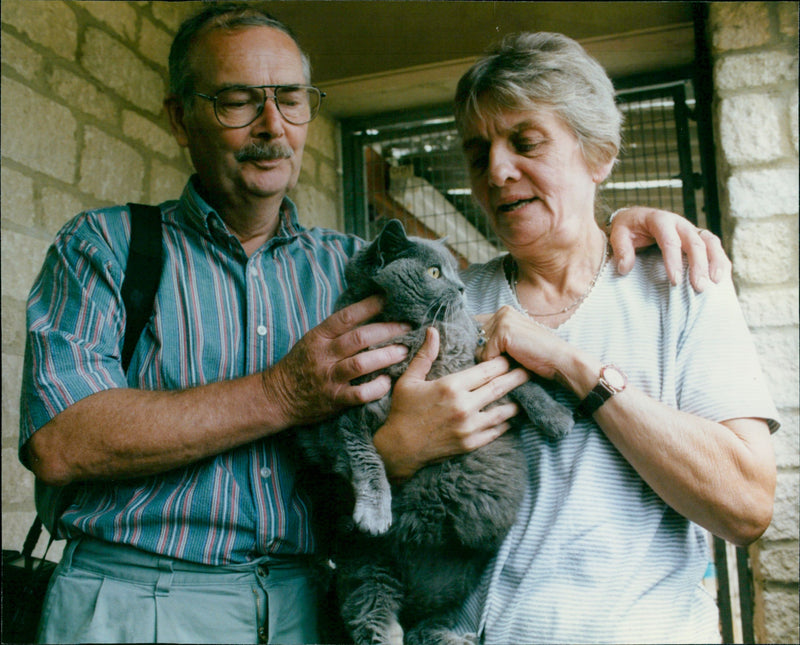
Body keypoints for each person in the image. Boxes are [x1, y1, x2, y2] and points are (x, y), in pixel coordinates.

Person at [18, 4, 732, 644]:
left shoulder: (353, 268)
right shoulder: (110, 247)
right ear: (179, 119)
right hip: (139, 598)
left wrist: (622, 220)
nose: (272, 125)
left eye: (291, 100)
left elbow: (492, 270)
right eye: (237, 101)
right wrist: (284, 393)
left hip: (308, 607)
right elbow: (59, 443)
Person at [377, 32, 779, 644]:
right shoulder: (448, 304)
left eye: (526, 142)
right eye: (478, 152)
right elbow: (364, 496)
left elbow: (746, 506)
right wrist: (394, 454)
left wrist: (572, 365)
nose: (497, 171)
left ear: (599, 155)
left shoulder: (680, 283)